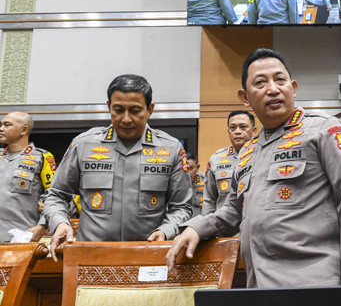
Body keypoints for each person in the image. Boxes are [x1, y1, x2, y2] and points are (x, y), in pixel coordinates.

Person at [166, 48, 341, 288]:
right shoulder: (247, 152)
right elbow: (234, 210)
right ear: (245, 97)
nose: (273, 88)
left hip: (317, 284)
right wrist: (197, 228)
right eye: (260, 82)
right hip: (259, 285)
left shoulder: (323, 130)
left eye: (280, 80)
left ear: (294, 87)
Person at [45, 74, 193, 261]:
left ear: (150, 110)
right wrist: (60, 223)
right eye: (118, 110)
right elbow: (57, 194)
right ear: (109, 107)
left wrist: (164, 231)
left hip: (148, 256)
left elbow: (183, 207)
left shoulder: (171, 149)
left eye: (135, 110)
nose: (126, 119)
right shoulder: (83, 145)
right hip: (91, 257)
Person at [0, 112, 56, 242]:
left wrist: (42, 225)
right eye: (1, 124)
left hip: (21, 239)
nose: (1, 128)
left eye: (7, 125)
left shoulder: (42, 157)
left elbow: (55, 195)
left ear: (24, 130)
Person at [202, 110, 256, 215]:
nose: (237, 131)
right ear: (228, 131)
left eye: (243, 127)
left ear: (254, 131)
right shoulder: (216, 160)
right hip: (225, 228)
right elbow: (209, 201)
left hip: (255, 226)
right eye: (233, 128)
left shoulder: (263, 155)